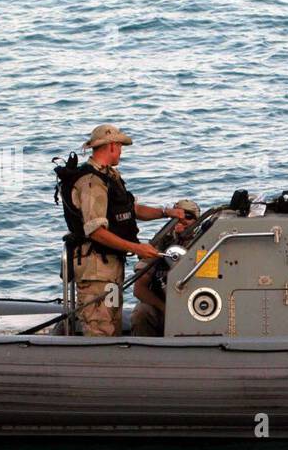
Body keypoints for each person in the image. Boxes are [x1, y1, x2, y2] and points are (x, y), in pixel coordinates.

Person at [60, 124, 190, 336]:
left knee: (113, 323)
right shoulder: (92, 182)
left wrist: (166, 213)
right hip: (96, 271)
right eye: (119, 146)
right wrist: (137, 248)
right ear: (111, 146)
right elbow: (95, 231)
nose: (121, 151)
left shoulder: (110, 177)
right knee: (100, 328)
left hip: (110, 268)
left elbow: (132, 209)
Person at [129, 198, 200, 337]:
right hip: (162, 306)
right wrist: (166, 309)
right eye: (177, 216)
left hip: (196, 307)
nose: (183, 220)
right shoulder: (160, 244)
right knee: (141, 313)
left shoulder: (205, 245)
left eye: (188, 216)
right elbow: (139, 289)